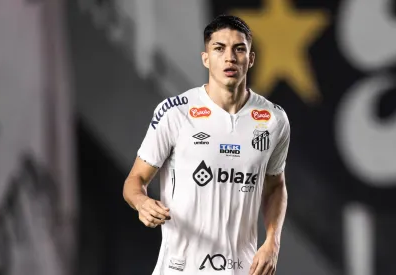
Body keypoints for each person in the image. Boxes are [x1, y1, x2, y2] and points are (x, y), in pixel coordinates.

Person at [123, 14, 290, 275]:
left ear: (251, 59)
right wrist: (141, 203)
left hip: (241, 269)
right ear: (205, 58)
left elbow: (275, 186)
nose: (230, 58)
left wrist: (273, 243)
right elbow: (135, 180)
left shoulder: (273, 119)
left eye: (239, 49)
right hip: (180, 268)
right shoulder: (175, 112)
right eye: (219, 49)